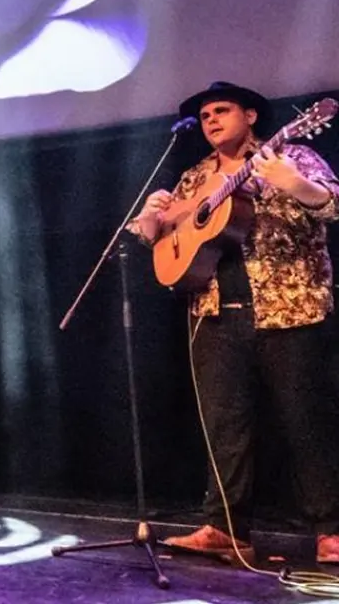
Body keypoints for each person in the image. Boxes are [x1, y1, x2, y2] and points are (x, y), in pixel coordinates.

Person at [130, 81, 339, 565]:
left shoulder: (290, 154)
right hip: (215, 312)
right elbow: (158, 239)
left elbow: (333, 203)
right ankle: (225, 528)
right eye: (205, 116)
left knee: (307, 424)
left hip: (290, 308)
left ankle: (330, 530)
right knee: (225, 428)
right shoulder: (195, 176)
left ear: (250, 116)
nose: (211, 121)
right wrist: (150, 221)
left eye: (221, 111)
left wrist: (295, 184)